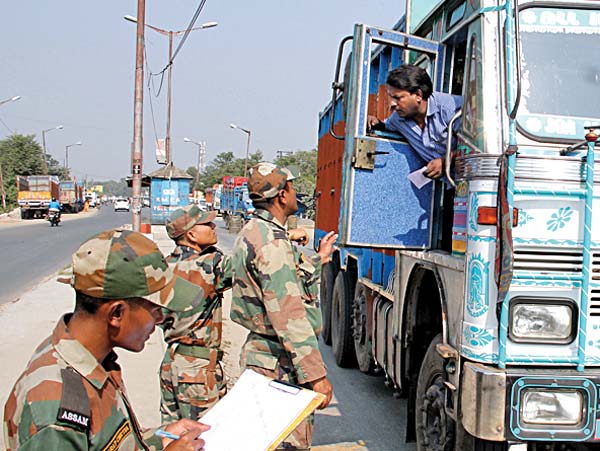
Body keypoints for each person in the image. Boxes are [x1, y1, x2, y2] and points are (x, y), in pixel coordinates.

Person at [4, 228, 209, 451]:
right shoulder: (56, 409)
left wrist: (157, 440)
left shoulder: (91, 359)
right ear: (116, 314)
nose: (161, 319)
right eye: (155, 308)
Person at [230, 162, 338, 451]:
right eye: (291, 187)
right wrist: (317, 376)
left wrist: (319, 259)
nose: (295, 194)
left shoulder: (256, 230)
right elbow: (289, 317)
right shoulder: (272, 242)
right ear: (281, 195)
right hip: (278, 364)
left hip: (264, 357)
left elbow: (281, 282)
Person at [159, 205, 232, 423]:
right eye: (206, 224)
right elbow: (252, 265)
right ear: (191, 235)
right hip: (198, 369)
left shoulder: (163, 267)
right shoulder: (210, 265)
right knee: (205, 438)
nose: (213, 227)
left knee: (173, 437)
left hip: (170, 363)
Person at [368, 64, 463, 179]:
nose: (392, 104)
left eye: (398, 98)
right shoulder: (397, 119)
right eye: (391, 97)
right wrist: (375, 123)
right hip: (446, 187)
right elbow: (386, 127)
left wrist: (446, 161)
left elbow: (476, 145)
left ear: (418, 95)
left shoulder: (451, 108)